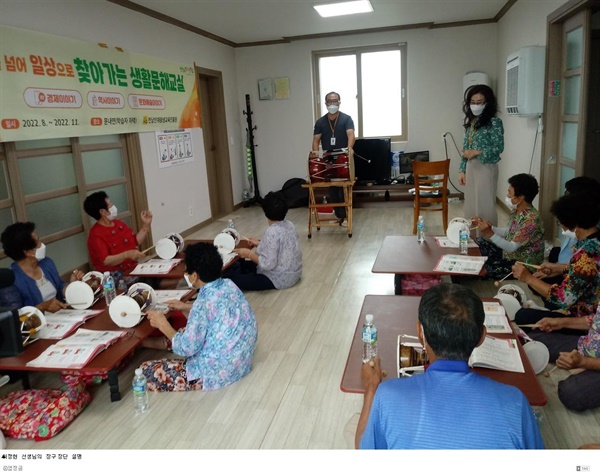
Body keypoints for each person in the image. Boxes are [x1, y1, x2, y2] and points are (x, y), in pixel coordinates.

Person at [356, 283, 544, 449]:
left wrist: (371, 389)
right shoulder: (516, 403)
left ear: (420, 333)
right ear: (482, 336)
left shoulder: (387, 396)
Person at [139, 242, 257, 392]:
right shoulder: (228, 284)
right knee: (183, 332)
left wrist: (162, 324)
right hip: (242, 359)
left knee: (145, 371)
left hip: (217, 372)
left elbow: (187, 348)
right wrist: (186, 307)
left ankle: (143, 347)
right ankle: (144, 344)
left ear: (194, 276)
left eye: (187, 271)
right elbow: (216, 311)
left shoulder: (203, 303)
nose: (186, 275)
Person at [513, 190, 600, 328]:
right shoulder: (594, 241)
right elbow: (587, 274)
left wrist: (528, 278)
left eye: (560, 222)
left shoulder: (586, 256)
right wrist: (559, 268)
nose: (560, 225)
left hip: (584, 320)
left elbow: (563, 298)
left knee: (522, 316)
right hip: (585, 305)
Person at [224, 191, 302, 291]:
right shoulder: (289, 224)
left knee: (232, 280)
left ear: (265, 212)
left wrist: (249, 254)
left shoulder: (272, 231)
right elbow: (280, 249)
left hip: (278, 278)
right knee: (240, 266)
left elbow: (268, 264)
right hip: (294, 273)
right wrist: (259, 244)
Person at [0, 222, 84, 312]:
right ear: (28, 252)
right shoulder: (10, 281)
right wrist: (41, 308)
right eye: (38, 241)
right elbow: (15, 317)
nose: (42, 244)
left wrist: (71, 286)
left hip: (63, 318)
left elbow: (60, 286)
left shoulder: (46, 263)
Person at [474, 173, 544, 279]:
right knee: (479, 242)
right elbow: (509, 232)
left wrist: (490, 233)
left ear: (520, 197)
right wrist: (489, 228)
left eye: (509, 192)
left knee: (482, 270)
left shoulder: (531, 219)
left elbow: (511, 247)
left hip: (521, 264)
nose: (507, 195)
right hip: (509, 254)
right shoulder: (517, 210)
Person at [532, 304, 600, 412]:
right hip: (589, 346)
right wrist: (560, 322)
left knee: (571, 394)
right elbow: (596, 321)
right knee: (533, 341)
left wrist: (584, 362)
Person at [459, 84, 504, 226]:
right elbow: (465, 148)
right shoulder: (472, 123)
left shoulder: (494, 122)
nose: (475, 105)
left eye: (479, 102)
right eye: (472, 102)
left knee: (485, 206)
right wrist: (462, 169)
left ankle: (488, 241)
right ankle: (473, 239)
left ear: (487, 103)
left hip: (486, 167)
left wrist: (477, 152)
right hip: (471, 167)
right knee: (471, 205)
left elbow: (498, 148)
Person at [311, 91, 355, 226]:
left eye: (335, 101)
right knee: (332, 189)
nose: (332, 104)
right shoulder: (320, 122)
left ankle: (347, 217)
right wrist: (315, 152)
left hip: (343, 159)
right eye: (329, 101)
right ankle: (339, 215)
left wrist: (348, 150)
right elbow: (316, 140)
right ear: (325, 104)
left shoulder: (346, 119)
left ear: (339, 103)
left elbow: (351, 135)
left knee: (344, 188)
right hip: (327, 159)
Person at [83, 191, 150, 274]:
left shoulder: (118, 223)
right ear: (103, 212)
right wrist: (127, 255)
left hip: (133, 268)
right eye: (110, 204)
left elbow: (135, 241)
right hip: (115, 276)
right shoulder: (96, 234)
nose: (113, 206)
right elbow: (105, 260)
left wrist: (146, 224)